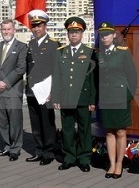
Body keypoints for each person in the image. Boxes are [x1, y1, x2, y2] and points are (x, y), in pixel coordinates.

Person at [52, 17, 96, 172]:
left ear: (82, 33)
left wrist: (92, 100)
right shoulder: (61, 52)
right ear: (68, 34)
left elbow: (93, 79)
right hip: (66, 98)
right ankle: (69, 157)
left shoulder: (90, 52)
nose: (74, 35)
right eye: (71, 32)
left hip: (83, 98)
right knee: (67, 128)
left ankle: (84, 158)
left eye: (77, 32)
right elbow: (56, 76)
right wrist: (56, 97)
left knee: (84, 129)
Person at [97, 22, 137, 179]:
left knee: (120, 131)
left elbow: (132, 76)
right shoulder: (98, 53)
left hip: (120, 97)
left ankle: (120, 164)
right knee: (109, 132)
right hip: (106, 98)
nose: (104, 37)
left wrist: (128, 96)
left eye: (107, 34)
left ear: (114, 35)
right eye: (102, 34)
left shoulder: (122, 52)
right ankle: (111, 164)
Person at [0, 19, 27, 162]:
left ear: (14, 30)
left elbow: (21, 68)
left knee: (15, 120)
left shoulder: (21, 47)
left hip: (12, 89)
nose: (6, 32)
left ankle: (16, 148)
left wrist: (5, 82)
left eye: (9, 29)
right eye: (4, 29)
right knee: (3, 120)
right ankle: (7, 146)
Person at [25, 10, 58, 165]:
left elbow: (57, 70)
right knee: (35, 122)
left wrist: (54, 92)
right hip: (32, 90)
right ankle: (38, 150)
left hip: (46, 91)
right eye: (34, 26)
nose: (37, 29)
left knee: (47, 122)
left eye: (40, 25)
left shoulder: (53, 45)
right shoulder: (30, 45)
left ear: (45, 26)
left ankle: (49, 152)